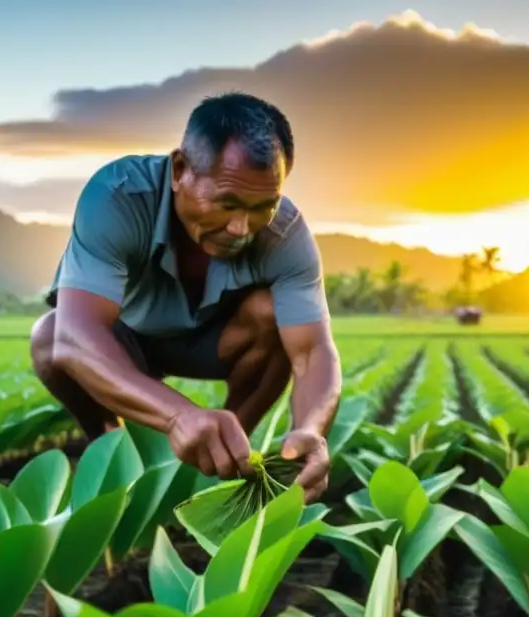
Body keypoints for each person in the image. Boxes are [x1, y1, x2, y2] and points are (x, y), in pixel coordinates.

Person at [30, 92, 342, 502]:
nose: (240, 227)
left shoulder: (286, 234)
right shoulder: (117, 197)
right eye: (226, 203)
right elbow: (74, 337)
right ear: (180, 170)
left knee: (270, 313)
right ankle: (108, 444)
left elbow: (313, 352)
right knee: (50, 337)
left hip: (214, 345)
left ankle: (228, 454)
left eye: (263, 207)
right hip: (127, 343)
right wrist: (179, 415)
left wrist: (310, 428)